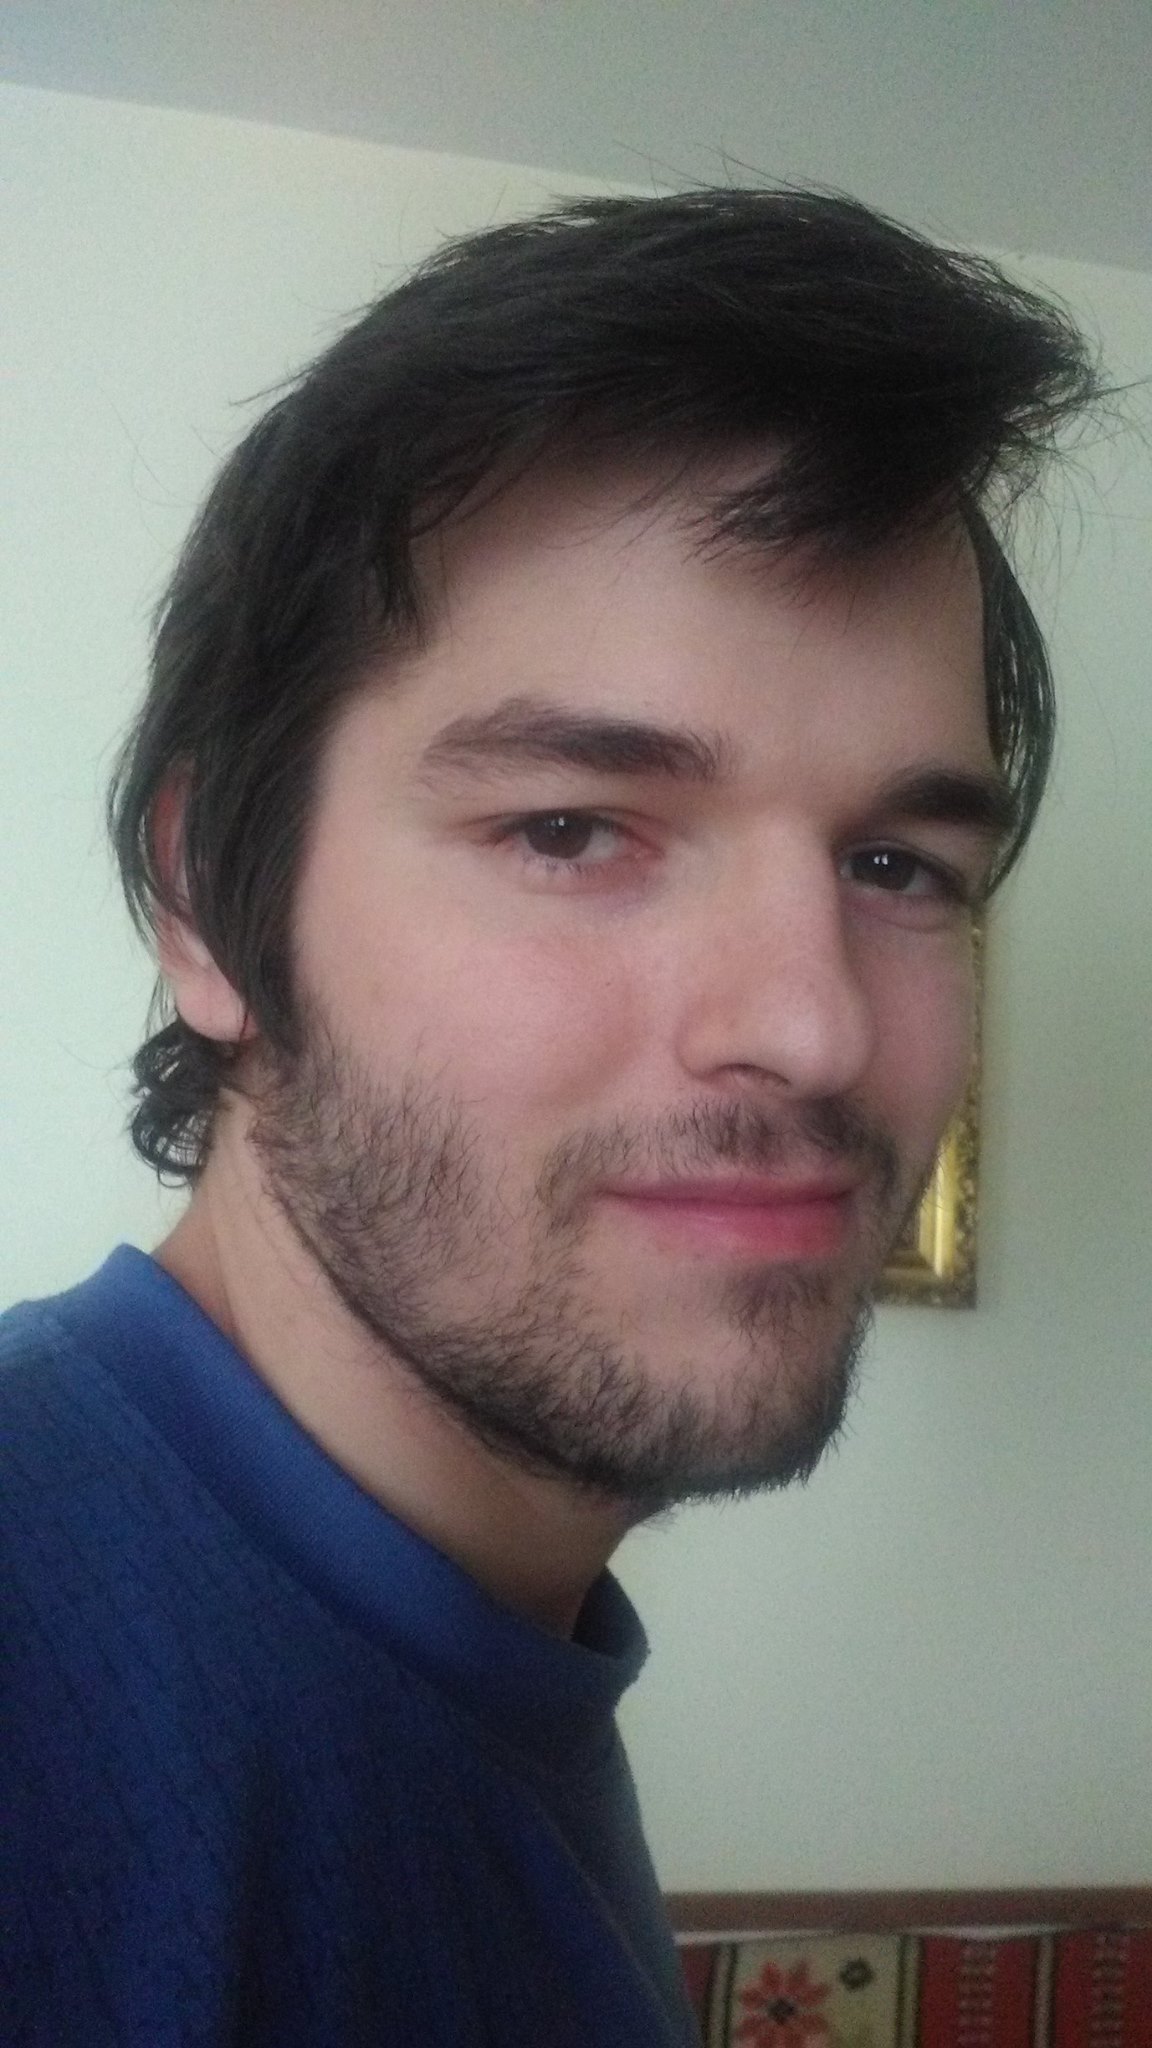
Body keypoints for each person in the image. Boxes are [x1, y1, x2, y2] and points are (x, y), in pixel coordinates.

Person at [0, 188, 1100, 2045]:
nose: (813, 1026)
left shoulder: (494, 1657)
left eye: (898, 865)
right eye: (575, 830)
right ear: (207, 903)